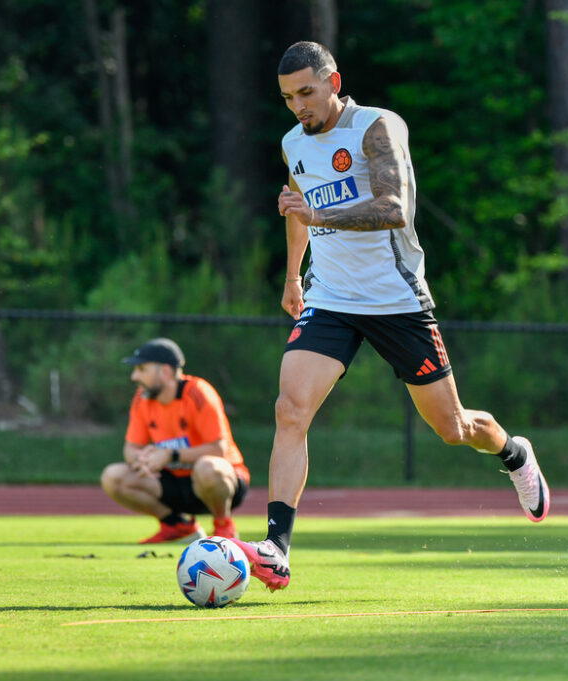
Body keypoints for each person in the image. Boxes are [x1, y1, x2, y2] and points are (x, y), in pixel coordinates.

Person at [232, 41, 550, 591]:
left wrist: (317, 210)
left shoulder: (377, 126)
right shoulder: (292, 143)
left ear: (334, 82)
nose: (298, 106)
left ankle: (512, 450)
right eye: (287, 98)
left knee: (453, 430)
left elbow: (395, 207)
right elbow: (296, 208)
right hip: (329, 298)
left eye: (307, 92)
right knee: (290, 409)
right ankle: (276, 547)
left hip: (396, 300)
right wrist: (292, 275)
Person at [100, 338, 251, 543]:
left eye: (141, 369)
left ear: (165, 371)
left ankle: (224, 525)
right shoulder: (142, 399)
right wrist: (141, 459)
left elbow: (219, 450)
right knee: (112, 477)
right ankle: (177, 526)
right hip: (173, 481)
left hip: (219, 482)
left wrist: (171, 455)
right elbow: (131, 448)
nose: (134, 376)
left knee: (208, 468)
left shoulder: (198, 393)